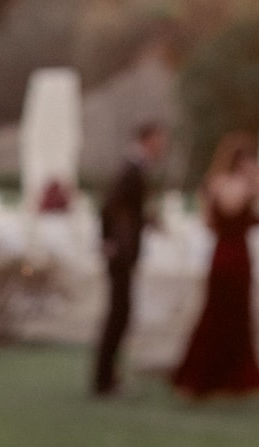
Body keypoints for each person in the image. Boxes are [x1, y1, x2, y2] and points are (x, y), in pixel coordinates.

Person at [170, 132, 259, 399]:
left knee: (238, 314)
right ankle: (209, 374)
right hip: (230, 252)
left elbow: (209, 220)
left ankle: (234, 374)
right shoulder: (226, 184)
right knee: (218, 312)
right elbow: (228, 210)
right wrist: (250, 186)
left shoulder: (222, 183)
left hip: (233, 251)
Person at [92, 121, 167, 397]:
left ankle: (109, 376)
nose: (162, 147)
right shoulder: (130, 169)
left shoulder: (136, 169)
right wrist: (109, 241)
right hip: (121, 254)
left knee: (122, 313)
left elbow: (126, 210)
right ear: (147, 140)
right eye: (159, 141)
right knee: (118, 314)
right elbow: (109, 206)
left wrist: (146, 220)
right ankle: (104, 379)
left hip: (125, 251)